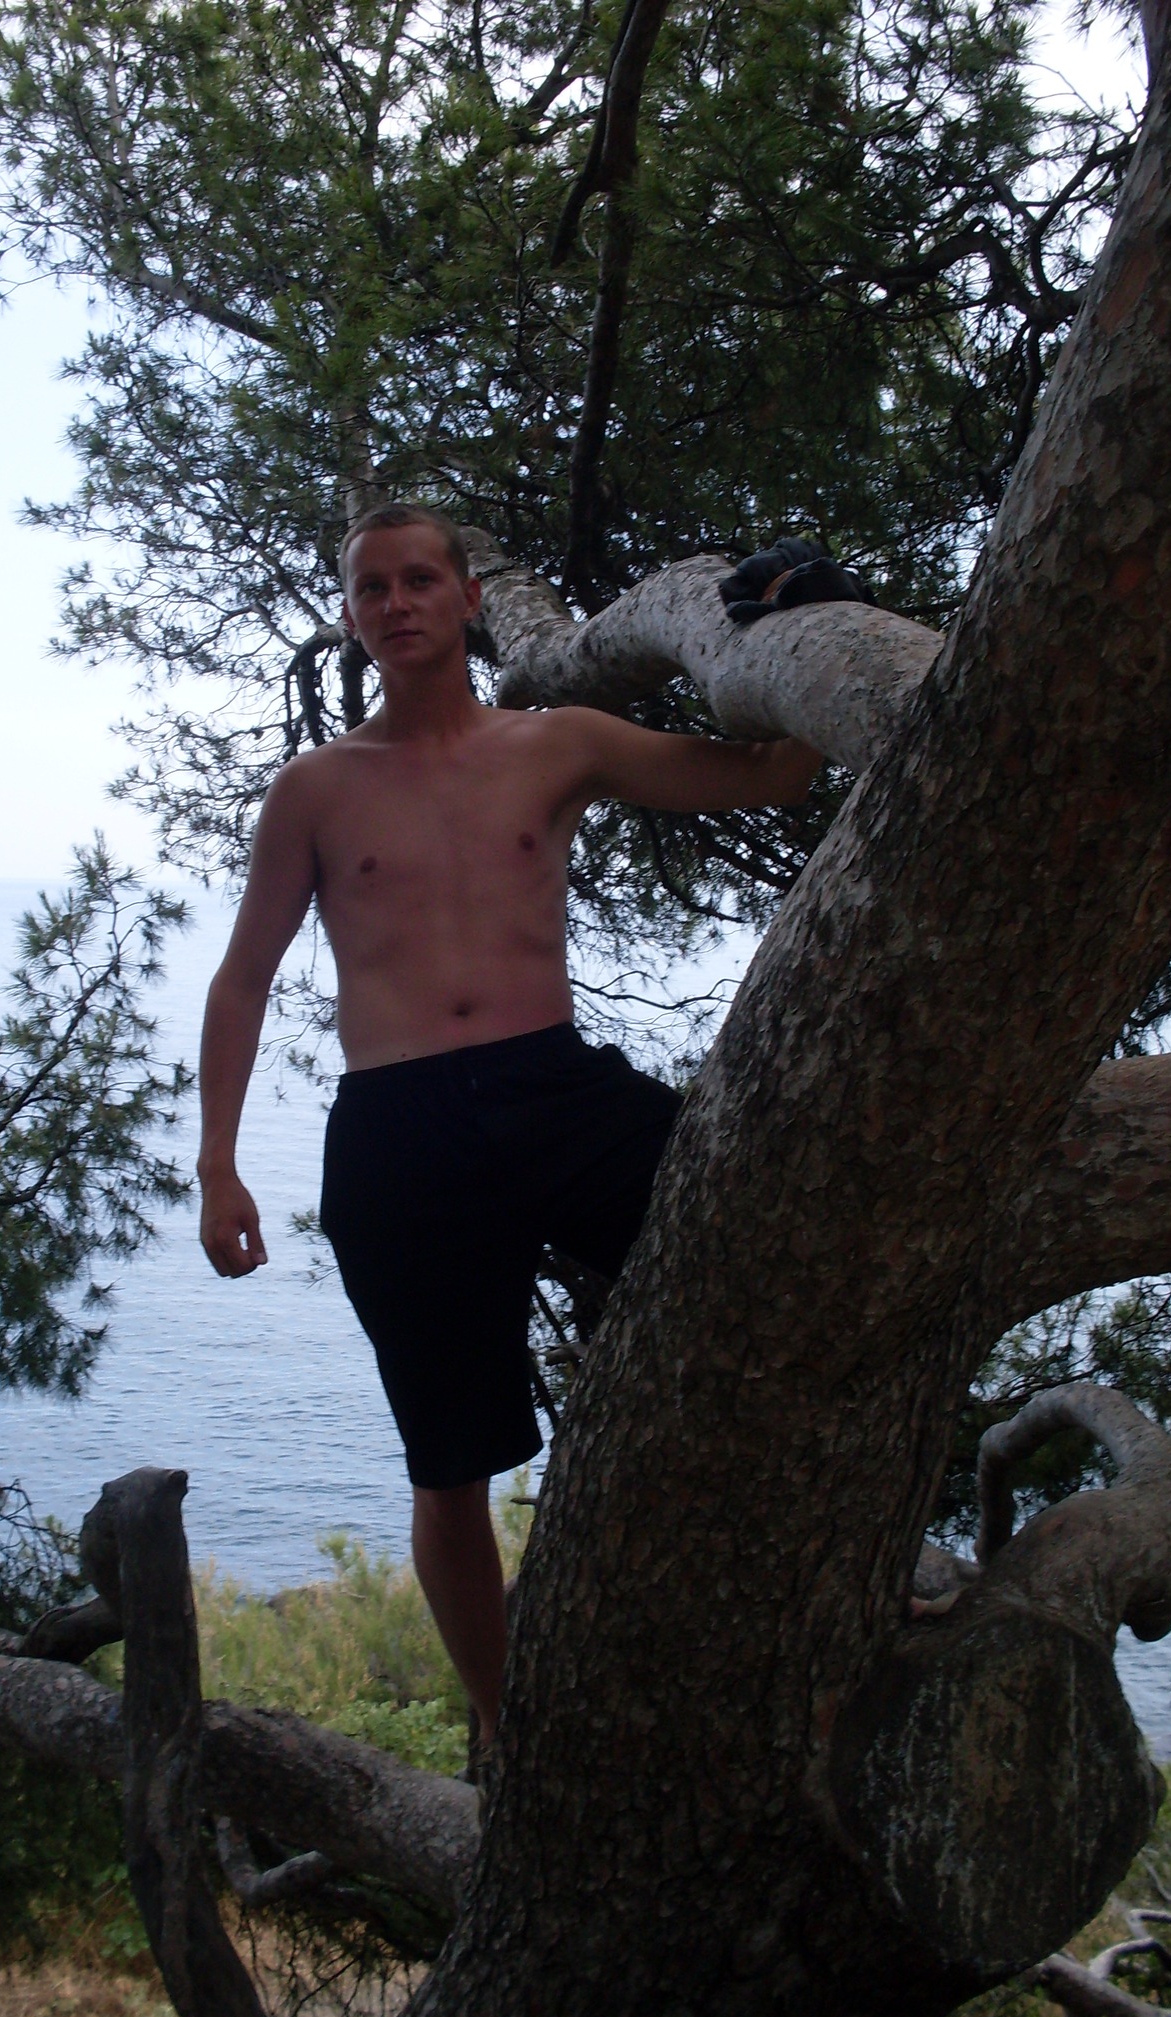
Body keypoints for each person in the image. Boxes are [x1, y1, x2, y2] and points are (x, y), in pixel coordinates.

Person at [197, 504, 822, 1744]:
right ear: (351, 616)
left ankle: (826, 1581)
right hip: (400, 1133)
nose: (396, 602)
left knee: (769, 1258)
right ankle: (505, 1727)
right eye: (372, 587)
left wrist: (801, 622)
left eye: (419, 579)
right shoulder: (317, 788)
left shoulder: (557, 743)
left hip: (556, 1093)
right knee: (450, 1466)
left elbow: (768, 774)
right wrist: (219, 1165)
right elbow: (243, 980)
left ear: (468, 597)